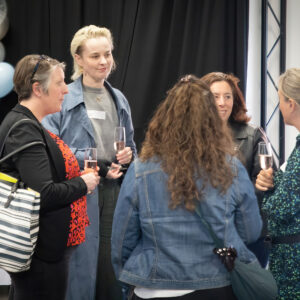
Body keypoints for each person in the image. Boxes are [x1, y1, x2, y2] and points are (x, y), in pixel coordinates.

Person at [111, 75, 262, 300]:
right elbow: (251, 231)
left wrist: (128, 284)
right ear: (211, 120)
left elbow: (122, 239)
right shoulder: (232, 168)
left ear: (166, 117)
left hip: (152, 284)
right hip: (216, 284)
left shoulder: (140, 169)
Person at [42, 25, 137, 300]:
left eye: (107, 54)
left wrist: (127, 158)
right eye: (95, 56)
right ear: (79, 58)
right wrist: (91, 159)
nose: (104, 61)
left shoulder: (119, 98)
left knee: (111, 263)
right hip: (76, 194)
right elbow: (50, 149)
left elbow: (131, 146)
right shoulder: (62, 97)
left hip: (114, 191)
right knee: (79, 268)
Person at [0, 54, 100, 300]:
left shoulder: (28, 123)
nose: (66, 90)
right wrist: (83, 183)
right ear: (37, 89)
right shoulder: (24, 127)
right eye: (59, 83)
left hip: (44, 251)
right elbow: (45, 194)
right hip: (41, 252)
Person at [201, 72, 272, 268]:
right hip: (206, 235)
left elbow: (264, 184)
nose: (222, 103)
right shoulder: (192, 138)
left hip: (248, 236)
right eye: (215, 97)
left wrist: (265, 181)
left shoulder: (253, 135)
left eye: (228, 96)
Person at [255, 68, 300, 300]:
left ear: (291, 103)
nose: (279, 105)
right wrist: (275, 180)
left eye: (280, 99)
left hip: (293, 262)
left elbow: (282, 208)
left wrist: (269, 192)